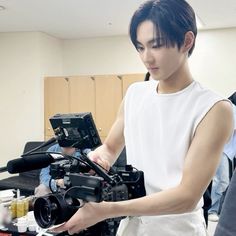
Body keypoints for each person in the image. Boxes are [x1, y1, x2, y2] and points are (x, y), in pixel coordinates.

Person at [53, 1, 233, 235]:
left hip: (177, 229)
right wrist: (97, 160)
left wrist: (107, 210)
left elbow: (187, 196)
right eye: (140, 47)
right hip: (131, 227)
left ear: (187, 41)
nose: (146, 57)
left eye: (156, 45)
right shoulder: (135, 94)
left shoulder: (214, 108)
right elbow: (110, 147)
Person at [208, 104, 236, 222]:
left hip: (229, 152)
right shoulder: (231, 107)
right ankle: (211, 210)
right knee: (221, 180)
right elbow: (228, 129)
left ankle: (217, 210)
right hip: (222, 149)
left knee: (225, 182)